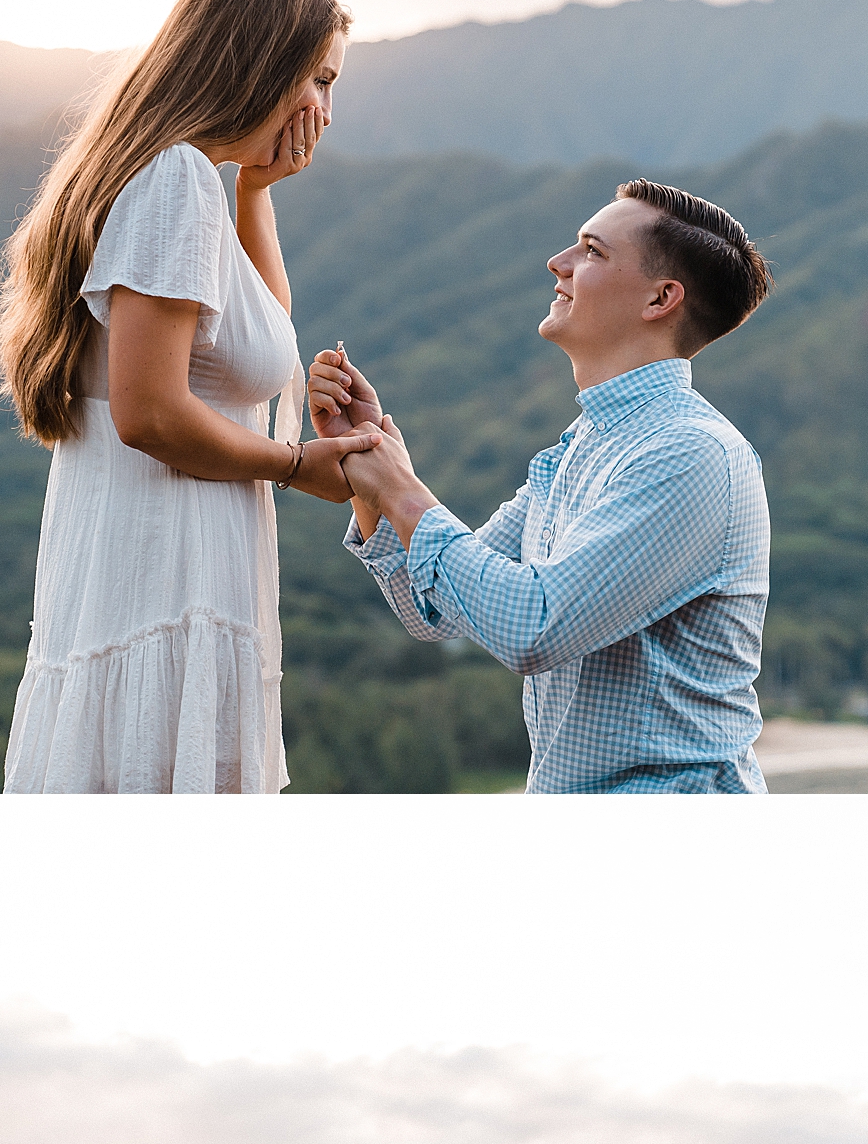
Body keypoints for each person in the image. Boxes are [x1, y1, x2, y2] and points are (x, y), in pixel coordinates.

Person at [0, 0, 382, 794]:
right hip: (163, 572)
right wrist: (293, 466)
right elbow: (151, 412)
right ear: (260, 63)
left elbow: (255, 338)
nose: (324, 106)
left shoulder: (189, 181)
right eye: (317, 77)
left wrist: (254, 190)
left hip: (150, 562)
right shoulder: (171, 181)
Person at [308, 180, 774, 794]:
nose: (559, 263)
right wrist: (373, 468)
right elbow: (437, 613)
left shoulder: (691, 456)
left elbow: (532, 627)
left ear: (661, 298)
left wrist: (402, 492)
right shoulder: (581, 446)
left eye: (592, 252)